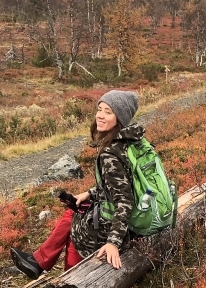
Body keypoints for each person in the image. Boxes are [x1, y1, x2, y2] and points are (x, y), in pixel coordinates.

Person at [10, 90, 143, 278]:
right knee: (76, 209)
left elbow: (125, 200)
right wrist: (89, 193)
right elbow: (125, 182)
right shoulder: (133, 141)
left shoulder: (111, 154)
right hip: (138, 216)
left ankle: (67, 278)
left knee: (76, 226)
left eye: (108, 112)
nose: (100, 115)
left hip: (121, 227)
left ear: (119, 118)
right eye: (99, 109)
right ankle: (40, 262)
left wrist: (113, 242)